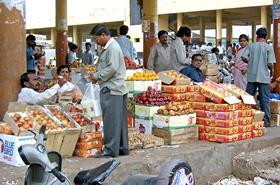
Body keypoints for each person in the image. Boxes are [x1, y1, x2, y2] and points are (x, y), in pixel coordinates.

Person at [90, 24, 129, 158]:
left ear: (103, 35)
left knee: (111, 121)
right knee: (120, 121)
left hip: (111, 88)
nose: (96, 42)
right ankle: (122, 148)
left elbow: (111, 68)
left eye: (96, 39)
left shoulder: (111, 48)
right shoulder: (111, 47)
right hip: (118, 88)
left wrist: (96, 76)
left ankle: (110, 149)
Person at [242, 28, 276, 127]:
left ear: (256, 36)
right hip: (264, 76)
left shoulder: (251, 46)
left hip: (252, 75)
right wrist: (271, 73)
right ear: (266, 37)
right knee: (264, 99)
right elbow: (270, 63)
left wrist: (251, 62)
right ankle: (266, 121)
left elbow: (244, 58)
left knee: (248, 97)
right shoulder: (268, 47)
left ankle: (246, 118)